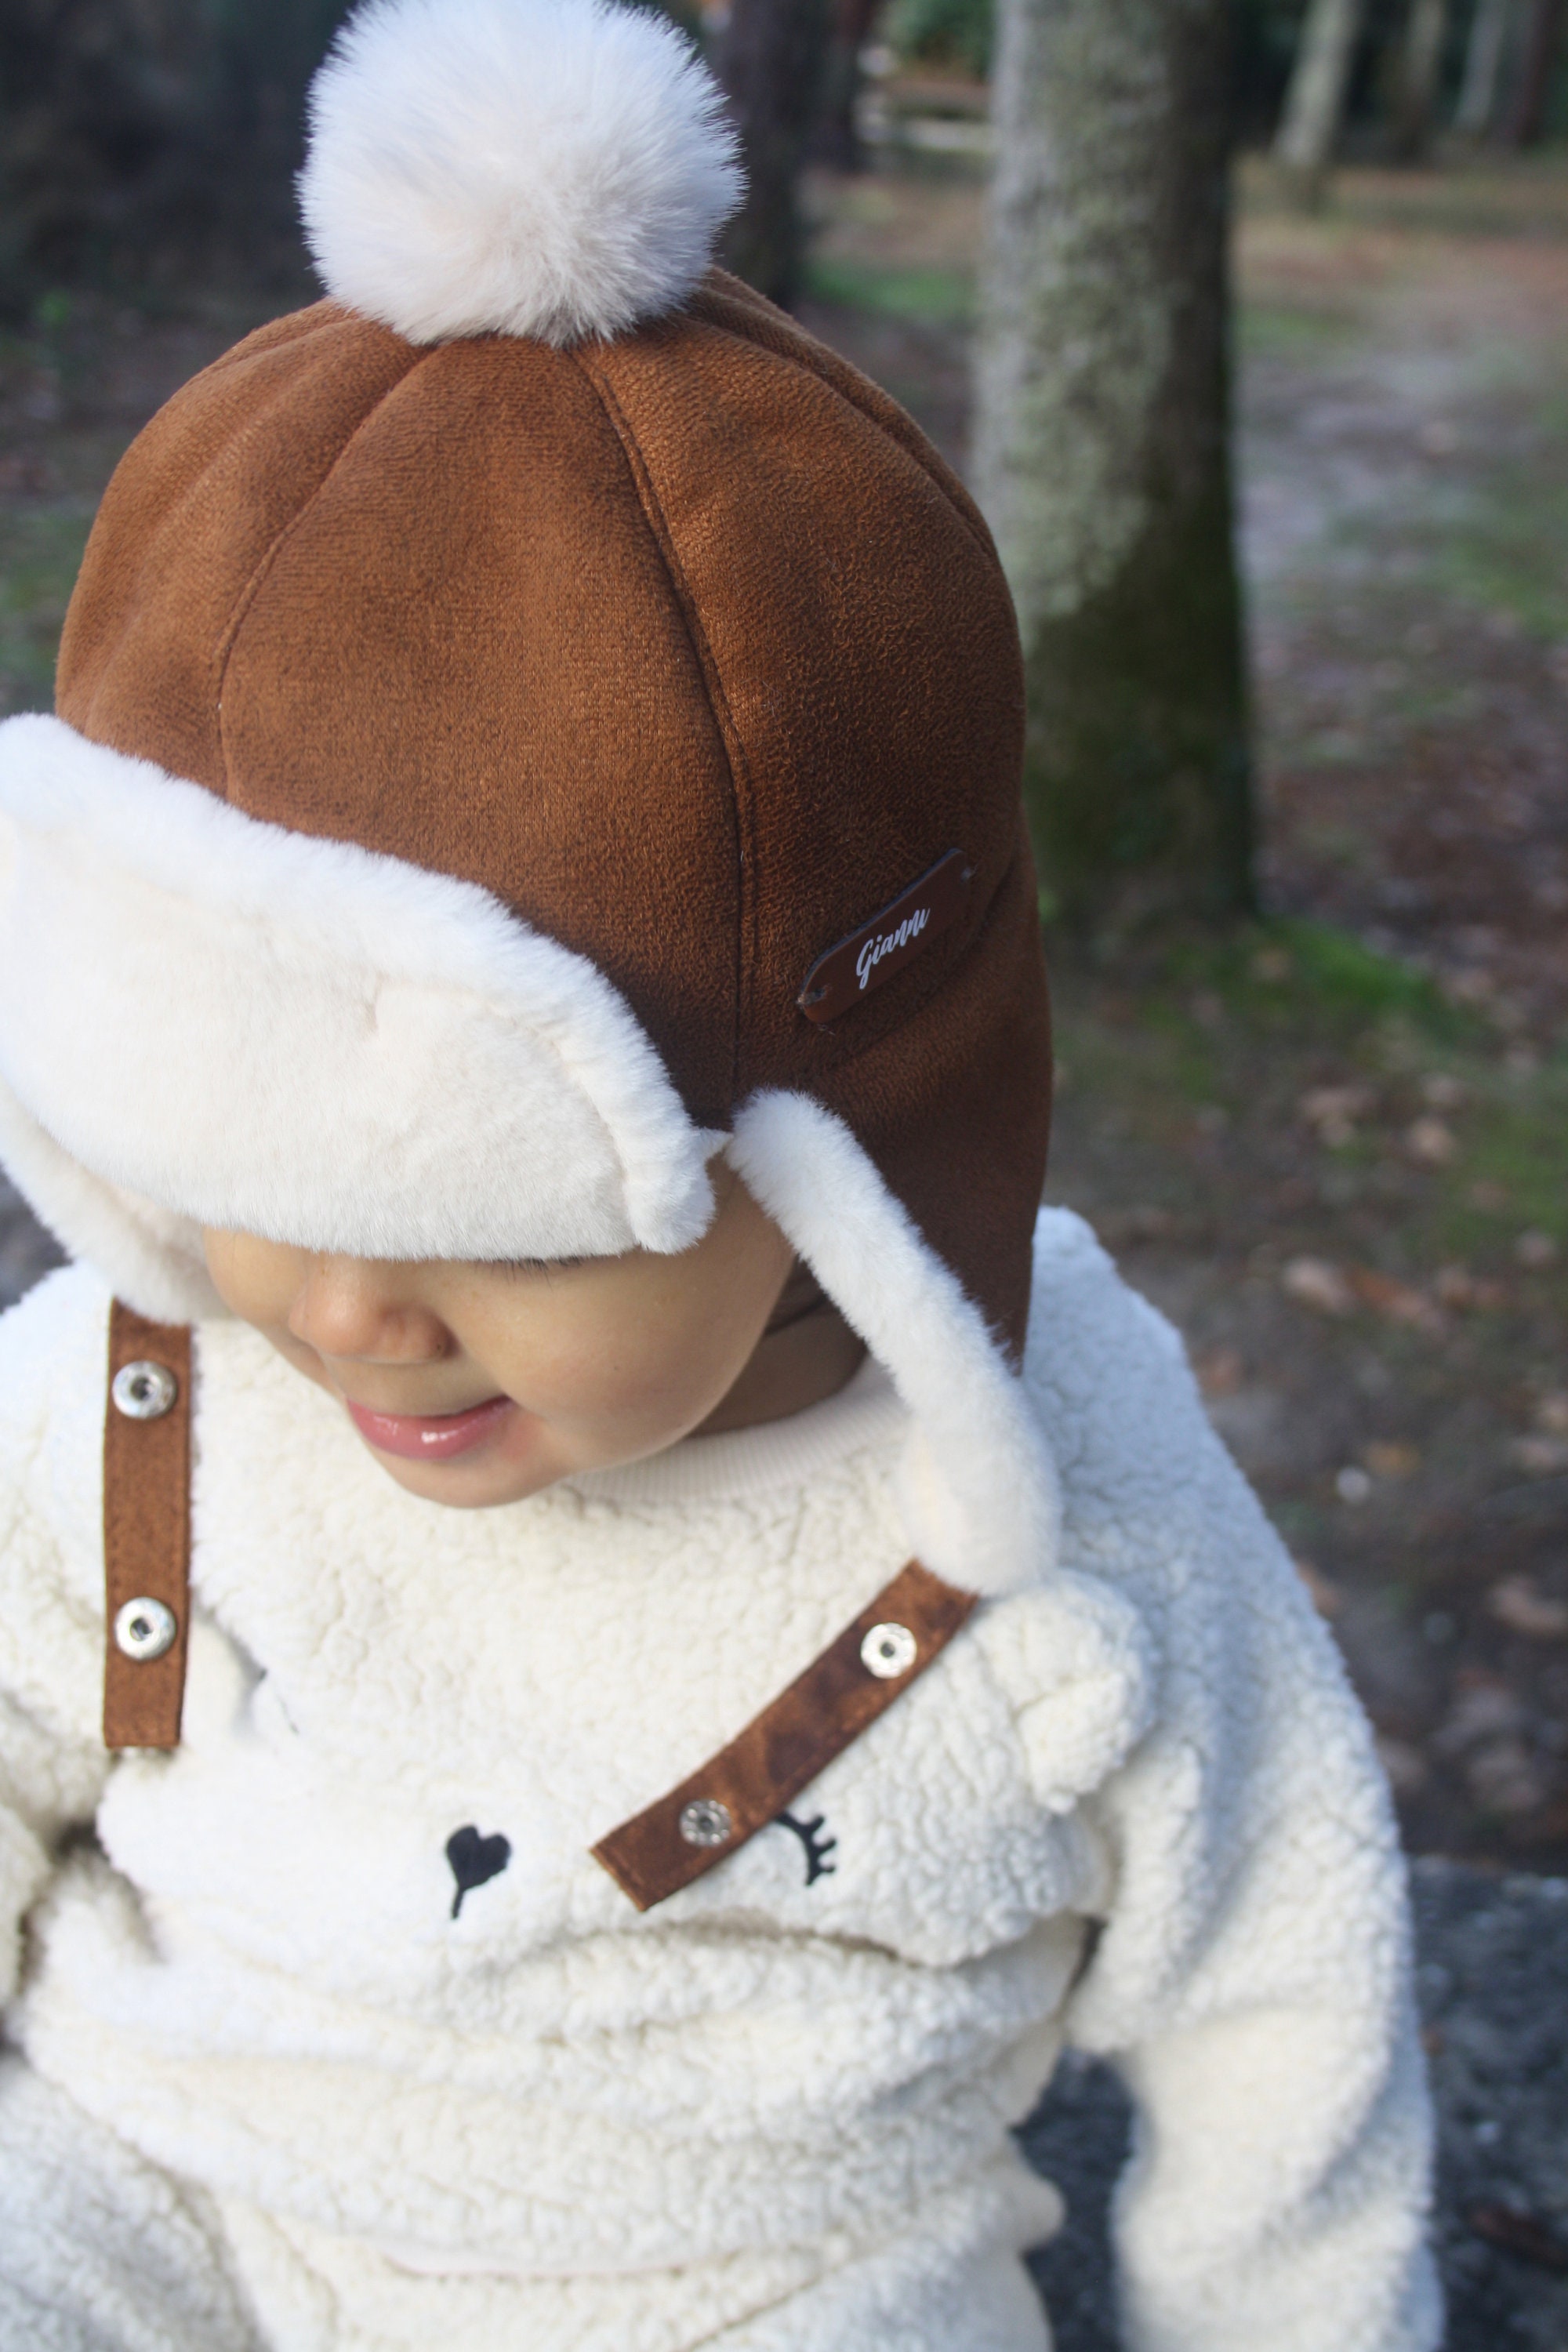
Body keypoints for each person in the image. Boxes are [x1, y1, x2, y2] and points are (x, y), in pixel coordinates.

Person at [0, 0, 1439, 2345]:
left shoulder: (1083, 1494)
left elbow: (1293, 1995)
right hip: (169, 2198)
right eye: (246, 1158)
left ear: (855, 1160)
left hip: (774, 2277)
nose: (349, 1311)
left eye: (513, 1219)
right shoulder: (118, 1411)